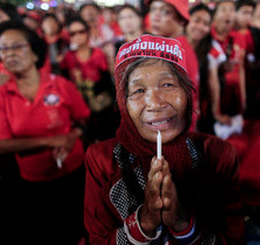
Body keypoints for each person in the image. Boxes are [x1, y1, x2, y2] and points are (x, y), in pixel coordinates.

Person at [84, 34, 245, 244]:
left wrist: (183, 224)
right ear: (124, 104)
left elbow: (233, 239)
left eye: (168, 85)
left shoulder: (218, 154)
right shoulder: (101, 159)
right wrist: (145, 221)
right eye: (138, 90)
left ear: (188, 94)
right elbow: (97, 240)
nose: (155, 103)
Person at [0, 20, 90, 244]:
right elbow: (2, 145)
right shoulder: (0, 96)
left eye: (16, 46)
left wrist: (69, 138)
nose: (9, 54)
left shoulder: (60, 85)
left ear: (35, 53)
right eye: (3, 48)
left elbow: (83, 119)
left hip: (74, 171)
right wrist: (50, 141)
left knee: (80, 226)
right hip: (34, 181)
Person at [60, 17, 118, 143]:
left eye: (81, 31)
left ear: (87, 32)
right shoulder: (68, 57)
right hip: (79, 108)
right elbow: (65, 82)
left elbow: (106, 81)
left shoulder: (98, 54)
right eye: (73, 33)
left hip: (100, 106)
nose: (78, 36)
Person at [146, 0, 199, 130]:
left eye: (165, 11)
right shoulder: (171, 46)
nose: (156, 16)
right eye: (153, 9)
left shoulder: (176, 52)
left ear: (181, 20)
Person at [186, 3, 213, 134]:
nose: (201, 27)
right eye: (197, 20)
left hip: (200, 114)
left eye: (206, 23)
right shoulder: (174, 47)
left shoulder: (208, 50)